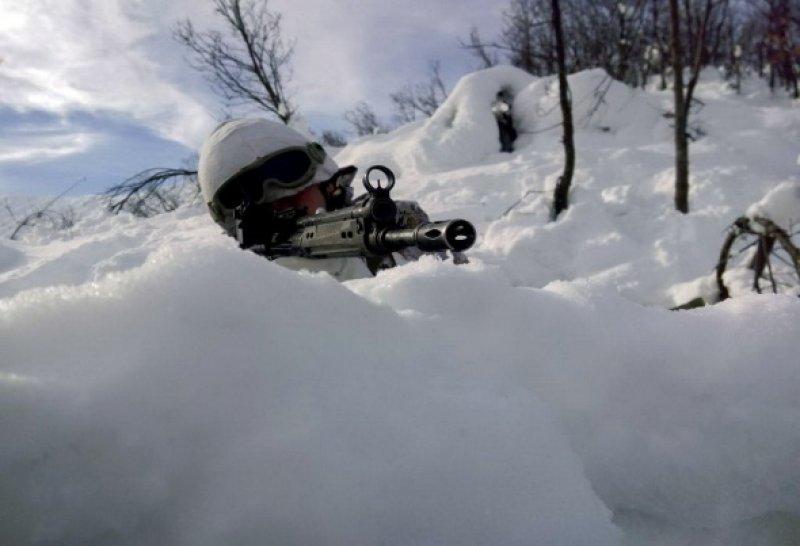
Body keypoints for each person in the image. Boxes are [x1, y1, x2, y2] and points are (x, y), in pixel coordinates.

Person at [198, 118, 448, 280]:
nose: (283, 203)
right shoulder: (230, 281)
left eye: (294, 184)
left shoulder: (398, 224)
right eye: (249, 195)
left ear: (326, 183)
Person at [491, 89, 517, 153]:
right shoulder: (496, 105)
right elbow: (496, 115)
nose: (501, 98)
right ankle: (505, 148)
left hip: (508, 124)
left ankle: (510, 147)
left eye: (502, 97)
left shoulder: (505, 104)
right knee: (504, 135)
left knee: (511, 134)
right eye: (500, 97)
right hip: (501, 124)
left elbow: (508, 114)